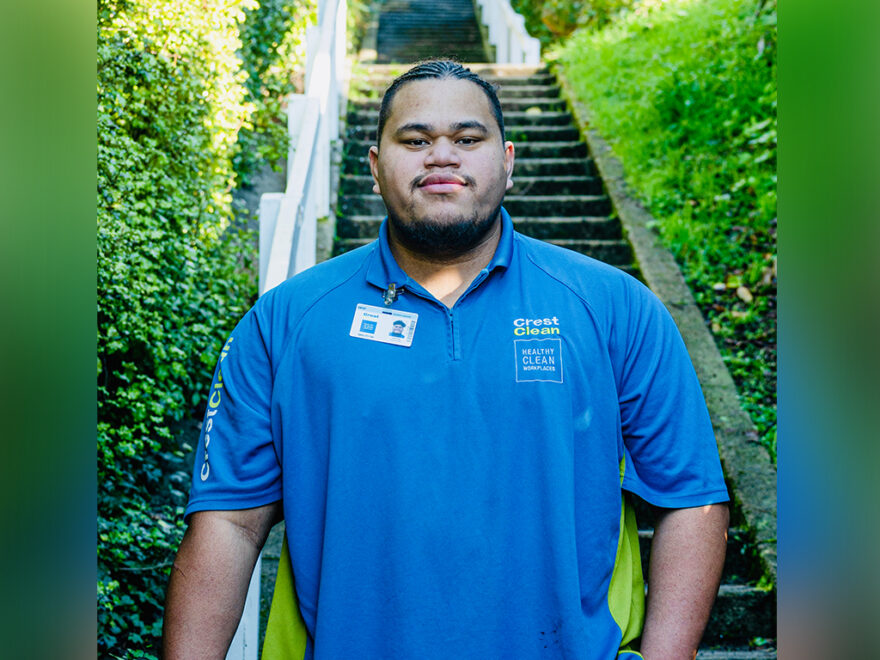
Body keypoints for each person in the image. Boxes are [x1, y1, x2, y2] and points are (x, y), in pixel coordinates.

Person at [163, 60, 730, 659]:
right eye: (414, 140)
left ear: (507, 161)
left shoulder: (615, 308)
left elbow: (691, 497)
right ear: (376, 167)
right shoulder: (284, 322)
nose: (441, 156)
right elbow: (228, 523)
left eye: (467, 139)